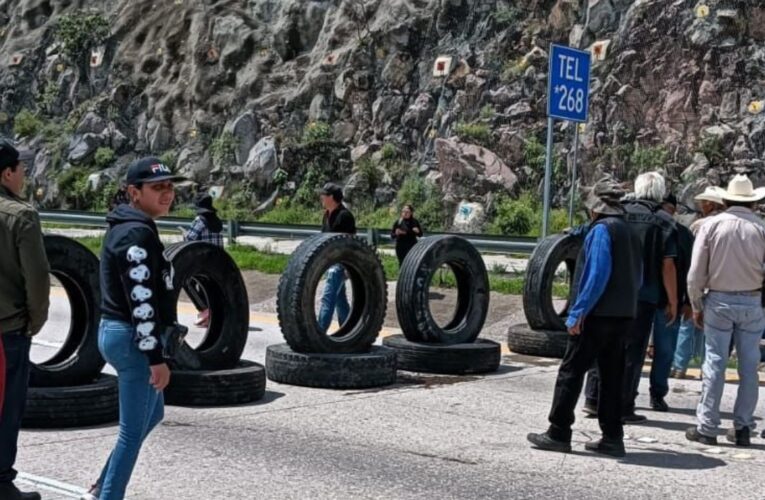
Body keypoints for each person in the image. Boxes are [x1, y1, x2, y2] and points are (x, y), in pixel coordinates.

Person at [83, 157, 185, 500]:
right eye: (157, 187)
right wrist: (155, 356)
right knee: (130, 432)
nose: (167, 193)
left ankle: (102, 484)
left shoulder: (128, 225)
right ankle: (107, 494)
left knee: (152, 413)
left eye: (170, 186)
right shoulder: (136, 233)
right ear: (133, 192)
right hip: (131, 337)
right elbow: (141, 301)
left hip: (118, 333)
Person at [527, 176, 642, 458]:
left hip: (597, 316)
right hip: (623, 315)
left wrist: (578, 312)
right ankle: (613, 437)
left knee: (571, 371)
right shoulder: (629, 231)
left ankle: (558, 431)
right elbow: (637, 277)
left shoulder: (602, 230)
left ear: (595, 207)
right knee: (612, 377)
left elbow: (596, 274)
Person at [583, 171, 678, 423]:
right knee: (632, 352)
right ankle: (623, 406)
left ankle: (593, 399)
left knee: (602, 344)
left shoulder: (617, 212)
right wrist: (673, 301)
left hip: (611, 290)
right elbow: (667, 265)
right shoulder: (664, 222)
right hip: (645, 296)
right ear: (659, 193)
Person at [686, 174, 765, 447]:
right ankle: (743, 426)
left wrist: (696, 303)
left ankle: (707, 426)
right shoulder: (761, 228)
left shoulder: (711, 226)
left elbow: (696, 272)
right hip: (753, 301)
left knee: (715, 363)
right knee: (749, 366)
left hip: (718, 299)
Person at [0, 140, 50, 500]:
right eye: (22, 168)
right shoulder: (21, 216)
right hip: (6, 333)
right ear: (7, 173)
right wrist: (34, 322)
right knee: (6, 409)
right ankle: (2, 484)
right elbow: (37, 279)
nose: (24, 174)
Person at [671, 186, 724, 378]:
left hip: (699, 280)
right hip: (719, 283)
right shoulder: (725, 223)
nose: (700, 204)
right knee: (710, 330)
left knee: (688, 323)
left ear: (710, 204)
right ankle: (705, 367)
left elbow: (693, 257)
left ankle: (679, 365)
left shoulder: (698, 225)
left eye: (703, 201)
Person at [648, 193, 694, 411]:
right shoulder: (680, 232)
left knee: (663, 351)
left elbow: (684, 270)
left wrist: (683, 301)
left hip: (659, 300)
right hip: (665, 301)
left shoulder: (682, 234)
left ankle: (655, 392)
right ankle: (654, 393)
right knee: (664, 350)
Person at [317, 182, 356, 333]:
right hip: (329, 262)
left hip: (340, 263)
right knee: (340, 300)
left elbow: (350, 242)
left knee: (327, 298)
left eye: (324, 195)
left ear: (331, 197)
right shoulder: (326, 215)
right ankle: (348, 330)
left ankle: (319, 332)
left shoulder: (344, 216)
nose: (321, 198)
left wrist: (347, 266)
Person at [183, 193, 224, 327]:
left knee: (187, 281)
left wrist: (184, 234)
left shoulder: (199, 220)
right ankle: (210, 314)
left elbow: (189, 239)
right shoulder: (217, 221)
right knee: (207, 286)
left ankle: (204, 310)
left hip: (202, 262)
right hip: (217, 261)